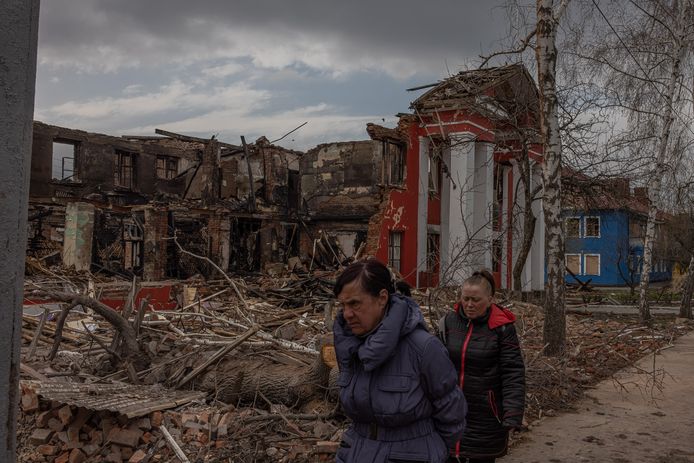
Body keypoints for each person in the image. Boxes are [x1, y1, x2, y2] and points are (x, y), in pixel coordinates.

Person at [333, 259, 467, 463]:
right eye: (343, 305)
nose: (347, 314)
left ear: (382, 298)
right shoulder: (350, 348)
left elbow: (451, 412)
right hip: (356, 452)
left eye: (354, 304)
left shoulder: (423, 348)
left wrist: (433, 451)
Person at [438, 270, 525, 463]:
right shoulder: (447, 323)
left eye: (475, 300)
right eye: (465, 298)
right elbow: (434, 366)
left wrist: (513, 413)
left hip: (486, 416)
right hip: (449, 412)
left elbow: (513, 372)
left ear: (490, 299)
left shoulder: (502, 329)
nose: (469, 304)